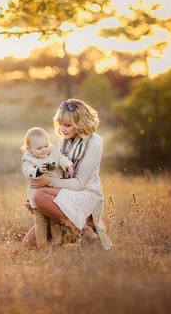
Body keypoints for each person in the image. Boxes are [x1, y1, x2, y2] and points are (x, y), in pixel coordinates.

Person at [21, 99, 113, 250]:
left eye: (68, 125)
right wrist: (37, 200)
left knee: (39, 195)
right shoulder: (63, 142)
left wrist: (46, 185)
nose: (62, 129)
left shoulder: (94, 141)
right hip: (65, 192)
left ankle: (84, 230)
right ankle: (73, 237)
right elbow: (56, 174)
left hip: (85, 194)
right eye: (60, 124)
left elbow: (79, 183)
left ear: (80, 123)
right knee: (27, 245)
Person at [21, 127, 73, 248]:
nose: (44, 150)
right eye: (39, 148)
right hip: (37, 195)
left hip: (52, 196)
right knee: (41, 222)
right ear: (29, 149)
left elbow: (62, 159)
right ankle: (42, 246)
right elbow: (27, 171)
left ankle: (56, 244)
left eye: (46, 145)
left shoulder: (54, 151)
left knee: (54, 221)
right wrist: (37, 171)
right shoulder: (28, 159)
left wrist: (67, 166)